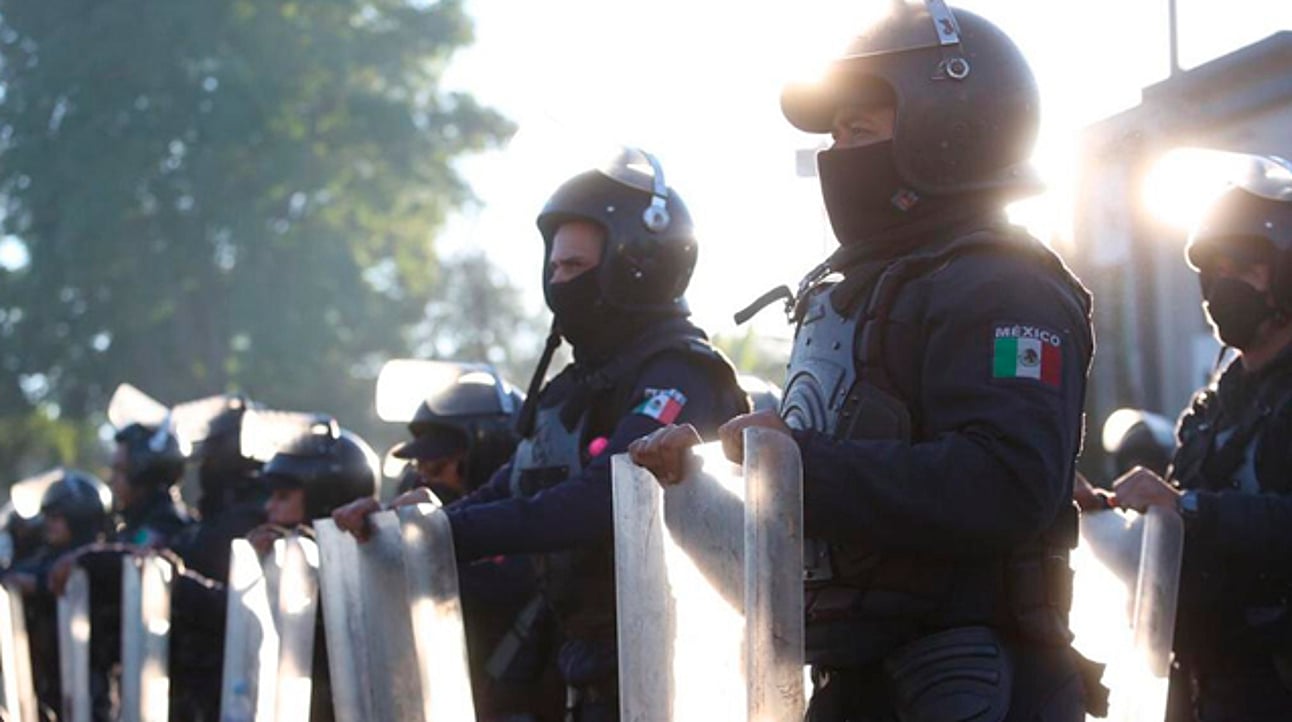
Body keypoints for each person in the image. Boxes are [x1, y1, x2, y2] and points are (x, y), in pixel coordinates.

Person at [630, 3, 1097, 720]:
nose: (838, 156)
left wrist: (797, 461)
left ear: (949, 130)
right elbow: (827, 510)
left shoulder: (1008, 285)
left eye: (860, 130)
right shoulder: (856, 293)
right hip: (856, 679)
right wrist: (706, 483)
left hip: (977, 685)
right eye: (837, 133)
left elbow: (1008, 484)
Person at [334, 148, 750, 722]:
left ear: (639, 262)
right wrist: (399, 522)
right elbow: (513, 485)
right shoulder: (571, 389)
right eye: (554, 268)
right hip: (589, 669)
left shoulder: (682, 374)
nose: (558, 283)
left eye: (575, 267)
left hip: (681, 678)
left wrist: (447, 531)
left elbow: (602, 499)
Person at [1108, 155, 1292, 722]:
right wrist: (1117, 515)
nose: (1220, 284)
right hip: (1203, 678)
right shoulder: (1217, 401)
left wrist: (1188, 508)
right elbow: (1187, 511)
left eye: (1243, 265)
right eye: (1211, 269)